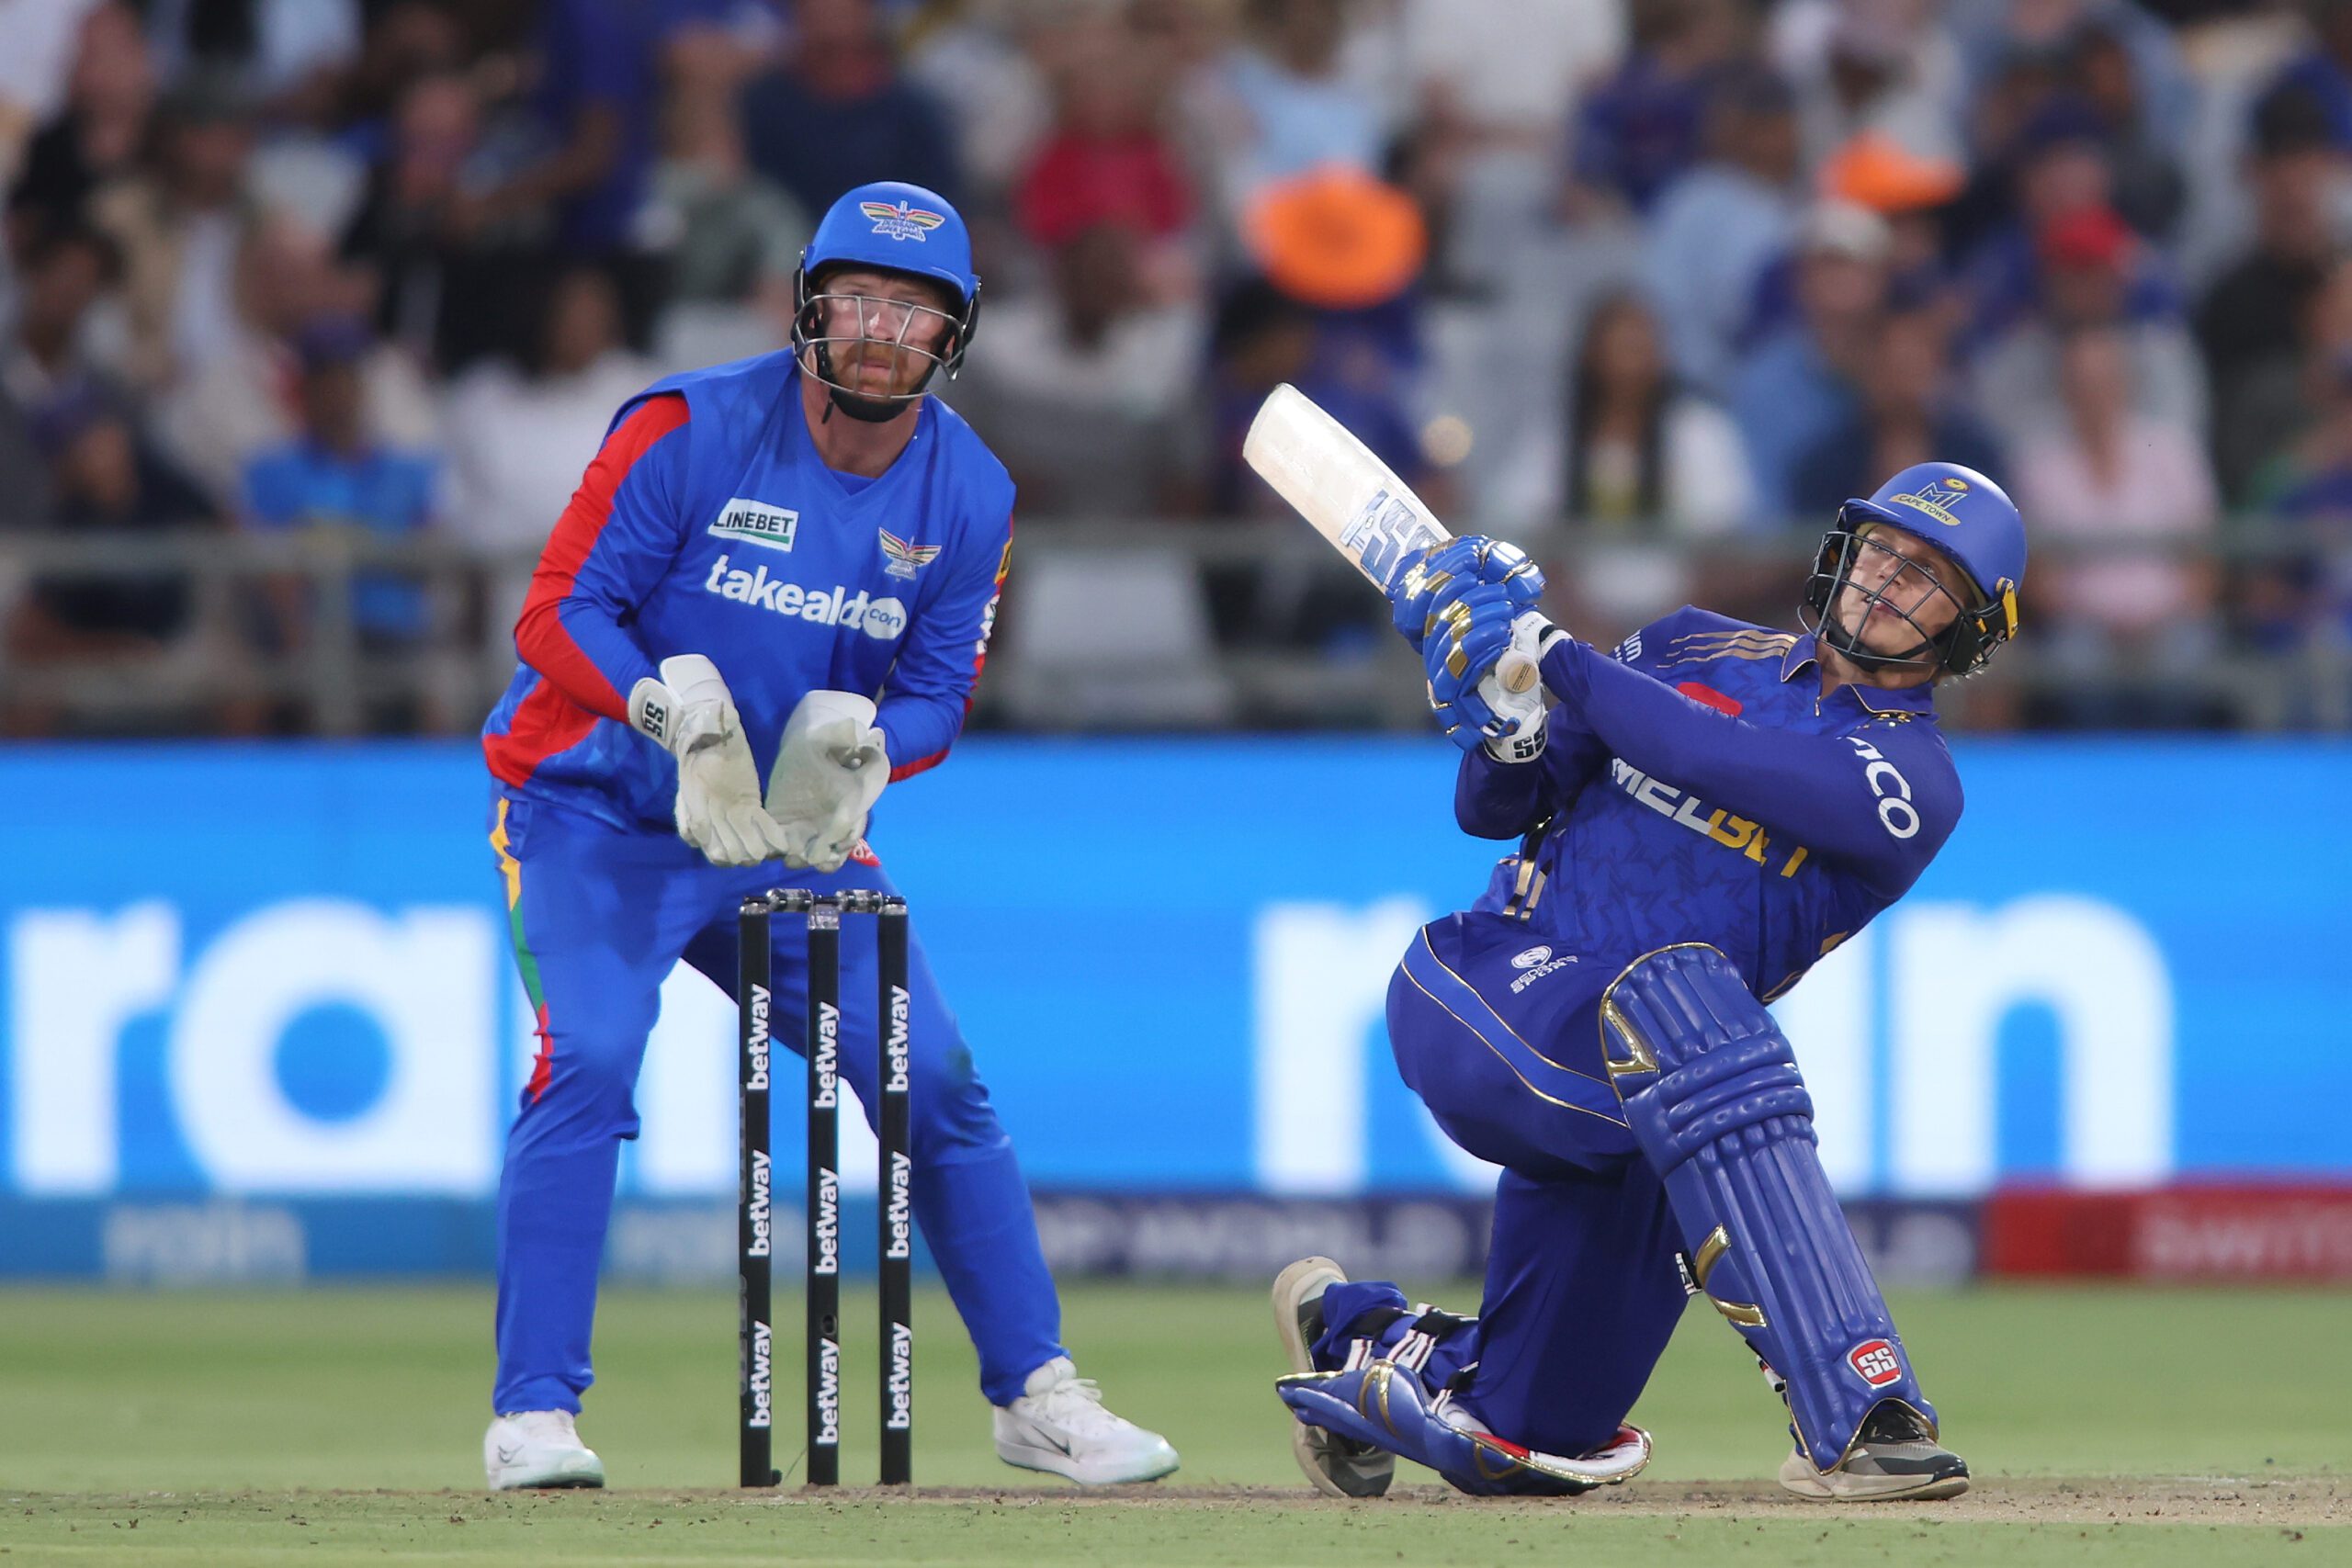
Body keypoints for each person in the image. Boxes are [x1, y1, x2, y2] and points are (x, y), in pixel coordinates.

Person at [475, 180, 1178, 1491]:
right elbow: (556, 611)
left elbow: (938, 697)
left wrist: (869, 757)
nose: (879, 331)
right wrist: (661, 709)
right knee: (591, 1061)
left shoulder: (969, 490)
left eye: (912, 310)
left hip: (784, 834)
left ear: (953, 334)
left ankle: (1037, 1395)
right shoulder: (687, 429)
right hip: (593, 809)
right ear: (809, 303)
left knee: (938, 1077)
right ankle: (534, 1414)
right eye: (856, 298)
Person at [1268, 461, 2027, 1502]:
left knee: (1525, 1436)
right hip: (1491, 988)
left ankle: (1364, 1336)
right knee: (1686, 1000)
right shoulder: (1686, 643)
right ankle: (1862, 1409)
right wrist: (1511, 721)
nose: (1887, 581)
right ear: (1841, 550)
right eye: (1882, 550)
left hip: (1659, 1108)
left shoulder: (1914, 783)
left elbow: (1719, 759)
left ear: (1971, 628)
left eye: (1928, 576)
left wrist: (1552, 654)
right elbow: (1493, 808)